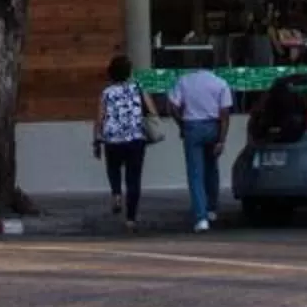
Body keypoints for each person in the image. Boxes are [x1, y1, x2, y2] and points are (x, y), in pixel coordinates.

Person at [166, 59, 234, 231]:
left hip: (192, 126)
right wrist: (221, 139)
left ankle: (201, 217)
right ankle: (212, 208)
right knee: (212, 169)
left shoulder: (185, 81)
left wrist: (181, 124)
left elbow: (172, 106)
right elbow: (225, 114)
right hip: (213, 126)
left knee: (195, 173)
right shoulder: (220, 83)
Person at [93, 51, 150, 228]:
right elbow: (152, 110)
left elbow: (100, 118)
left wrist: (96, 140)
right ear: (129, 72)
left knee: (113, 168)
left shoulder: (107, 93)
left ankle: (116, 194)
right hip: (135, 137)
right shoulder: (138, 88)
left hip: (113, 138)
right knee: (134, 178)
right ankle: (131, 219)